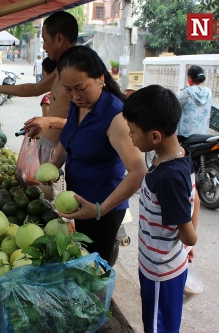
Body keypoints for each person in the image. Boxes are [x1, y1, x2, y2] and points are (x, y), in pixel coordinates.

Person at [48, 46, 146, 265]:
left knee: (94, 269)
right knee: (80, 261)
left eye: (80, 88)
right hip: (79, 205)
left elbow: (138, 170)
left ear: (100, 78)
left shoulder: (115, 116)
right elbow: (68, 139)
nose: (75, 96)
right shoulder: (78, 105)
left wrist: (100, 209)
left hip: (103, 211)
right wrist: (53, 165)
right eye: (68, 89)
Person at [122, 84, 199, 333]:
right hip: (161, 262)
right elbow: (194, 199)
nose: (130, 137)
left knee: (158, 327)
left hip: (160, 272)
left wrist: (188, 243)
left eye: (133, 132)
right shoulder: (181, 155)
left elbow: (188, 233)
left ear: (155, 136)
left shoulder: (168, 178)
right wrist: (186, 248)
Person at [0, 11, 78, 201]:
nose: (44, 46)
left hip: (61, 150)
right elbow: (35, 88)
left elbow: (85, 121)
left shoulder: (78, 72)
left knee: (57, 207)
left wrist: (49, 122)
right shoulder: (61, 68)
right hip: (48, 148)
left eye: (44, 40)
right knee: (43, 202)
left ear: (59, 39)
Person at [176, 65, 212, 141]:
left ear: (190, 78)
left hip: (186, 135)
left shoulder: (187, 92)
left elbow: (173, 104)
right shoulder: (209, 92)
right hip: (203, 134)